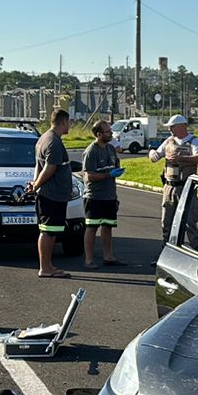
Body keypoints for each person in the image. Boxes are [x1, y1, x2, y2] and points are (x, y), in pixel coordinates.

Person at [28, 109, 75, 279]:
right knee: (48, 231)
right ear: (63, 122)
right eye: (69, 122)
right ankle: (45, 268)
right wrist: (37, 185)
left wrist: (34, 183)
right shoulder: (53, 143)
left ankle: (48, 266)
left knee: (49, 230)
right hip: (52, 195)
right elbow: (49, 168)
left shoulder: (43, 139)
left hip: (50, 194)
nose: (70, 125)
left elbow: (38, 166)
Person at [149, 114, 198, 249]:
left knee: (189, 222)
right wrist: (152, 154)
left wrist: (182, 159)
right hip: (169, 187)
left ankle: (197, 251)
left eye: (172, 127)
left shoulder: (194, 141)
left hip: (186, 187)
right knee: (166, 222)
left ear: (182, 126)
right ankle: (166, 252)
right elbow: (155, 154)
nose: (170, 130)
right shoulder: (168, 141)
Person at [82, 118, 126, 268]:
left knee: (108, 226)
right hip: (95, 197)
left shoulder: (111, 149)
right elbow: (89, 176)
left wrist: (115, 194)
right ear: (99, 134)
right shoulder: (91, 151)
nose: (111, 134)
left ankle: (109, 256)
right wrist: (109, 175)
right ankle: (88, 260)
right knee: (92, 227)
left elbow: (115, 167)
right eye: (108, 132)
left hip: (109, 196)